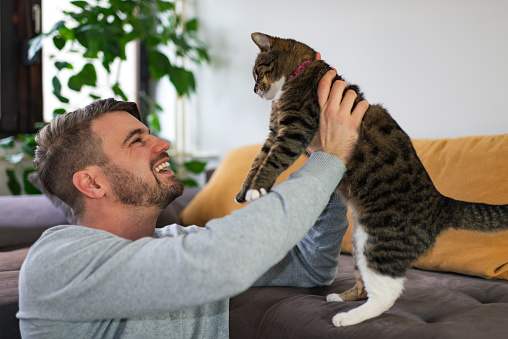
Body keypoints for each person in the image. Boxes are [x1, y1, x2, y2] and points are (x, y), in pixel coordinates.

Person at [17, 69, 369, 338]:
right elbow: (222, 261)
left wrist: (323, 160)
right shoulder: (58, 260)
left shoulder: (178, 242)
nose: (162, 143)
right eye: (136, 140)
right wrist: (329, 161)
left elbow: (311, 267)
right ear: (92, 183)